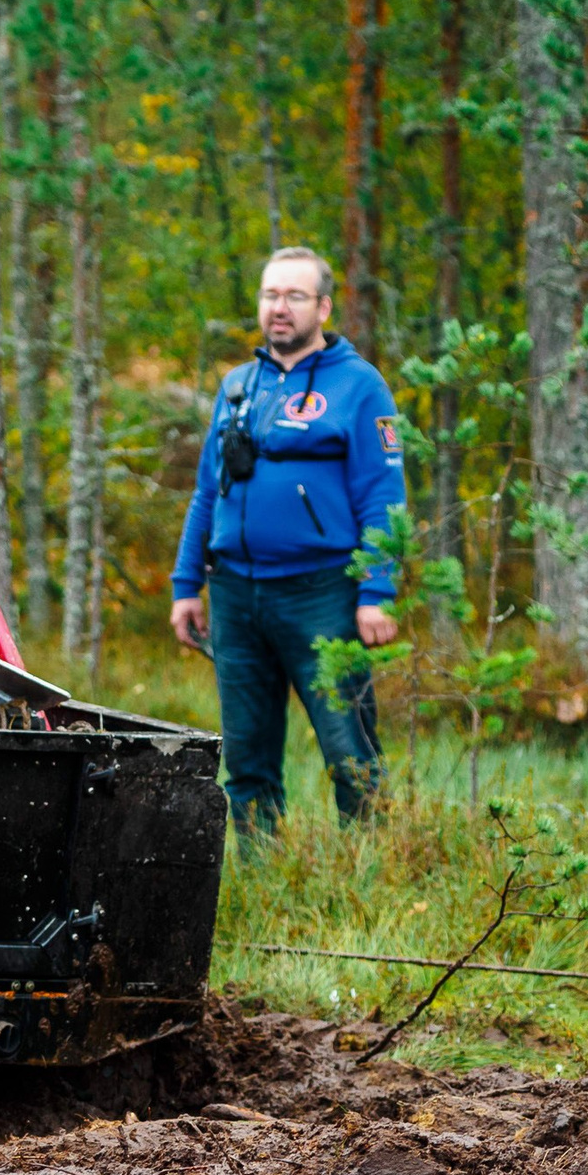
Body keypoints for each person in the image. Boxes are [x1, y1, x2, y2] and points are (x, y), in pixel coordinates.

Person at [169, 247, 406, 836]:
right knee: (246, 757)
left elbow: (385, 496)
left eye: (294, 297)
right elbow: (207, 493)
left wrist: (377, 589)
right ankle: (263, 870)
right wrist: (186, 584)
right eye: (271, 295)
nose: (279, 308)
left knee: (348, 746)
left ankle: (368, 871)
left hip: (320, 592)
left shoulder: (359, 386)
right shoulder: (237, 387)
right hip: (236, 595)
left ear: (323, 307)